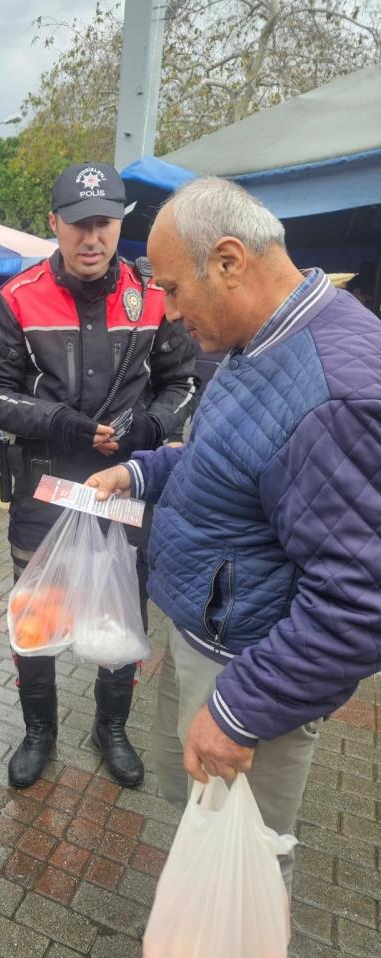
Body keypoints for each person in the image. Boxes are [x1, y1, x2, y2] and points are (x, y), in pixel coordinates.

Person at [87, 177, 381, 891]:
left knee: (242, 860)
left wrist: (240, 708)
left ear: (228, 261)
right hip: (215, 642)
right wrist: (147, 472)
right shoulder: (262, 340)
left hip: (251, 672)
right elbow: (234, 457)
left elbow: (359, 601)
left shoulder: (333, 394)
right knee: (203, 829)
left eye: (175, 289)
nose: (170, 310)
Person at [0, 161, 198, 790]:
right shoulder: (16, 298)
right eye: (78, 224)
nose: (92, 237)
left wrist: (148, 430)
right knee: (38, 610)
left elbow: (182, 384)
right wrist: (64, 424)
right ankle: (39, 730)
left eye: (103, 223)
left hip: (125, 483)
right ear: (55, 224)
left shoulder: (153, 296)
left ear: (118, 224)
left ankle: (112, 725)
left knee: (123, 608)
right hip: (44, 486)